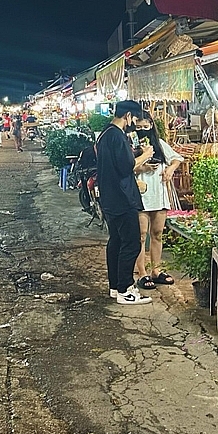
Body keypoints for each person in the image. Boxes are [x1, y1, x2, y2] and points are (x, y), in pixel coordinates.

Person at [97, 100, 155, 305]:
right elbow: (125, 166)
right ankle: (125, 289)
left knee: (116, 242)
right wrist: (145, 156)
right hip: (122, 198)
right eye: (135, 119)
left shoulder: (105, 134)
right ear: (128, 116)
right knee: (131, 243)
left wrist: (137, 155)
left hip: (109, 197)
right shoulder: (117, 136)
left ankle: (115, 286)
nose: (135, 124)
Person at [133, 116, 184, 290]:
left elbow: (177, 158)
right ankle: (141, 273)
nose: (142, 130)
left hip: (159, 194)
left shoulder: (160, 144)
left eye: (145, 126)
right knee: (140, 236)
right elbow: (124, 167)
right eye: (139, 127)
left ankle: (156, 270)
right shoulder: (131, 145)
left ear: (152, 126)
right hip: (140, 195)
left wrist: (170, 169)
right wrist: (142, 168)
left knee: (157, 233)